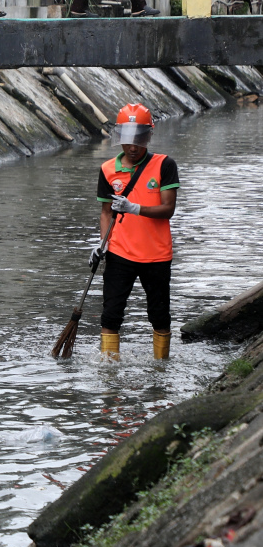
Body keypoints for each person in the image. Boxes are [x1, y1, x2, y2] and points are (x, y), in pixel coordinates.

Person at [89, 104, 179, 360]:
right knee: (111, 314)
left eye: (138, 138)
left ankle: (161, 367)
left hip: (157, 255)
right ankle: (109, 372)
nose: (132, 146)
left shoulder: (164, 165)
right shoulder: (108, 170)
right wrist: (102, 245)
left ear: (149, 135)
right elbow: (106, 213)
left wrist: (135, 208)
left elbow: (168, 209)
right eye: (128, 139)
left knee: (160, 316)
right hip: (120, 253)